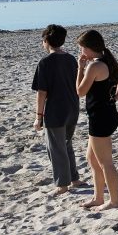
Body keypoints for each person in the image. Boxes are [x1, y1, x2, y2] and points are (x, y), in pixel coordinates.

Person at [75, 29, 118, 210]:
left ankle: (114, 200)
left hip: (101, 118)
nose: (81, 52)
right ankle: (98, 197)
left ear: (89, 48)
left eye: (82, 48)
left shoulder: (94, 66)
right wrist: (114, 98)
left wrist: (80, 68)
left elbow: (80, 92)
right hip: (106, 114)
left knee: (106, 162)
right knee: (91, 158)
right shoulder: (107, 60)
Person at [31, 24, 84, 194]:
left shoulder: (45, 62)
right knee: (66, 145)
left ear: (46, 41)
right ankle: (74, 179)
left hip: (55, 110)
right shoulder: (70, 59)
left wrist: (38, 117)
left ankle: (62, 185)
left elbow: (42, 93)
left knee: (56, 148)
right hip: (72, 107)